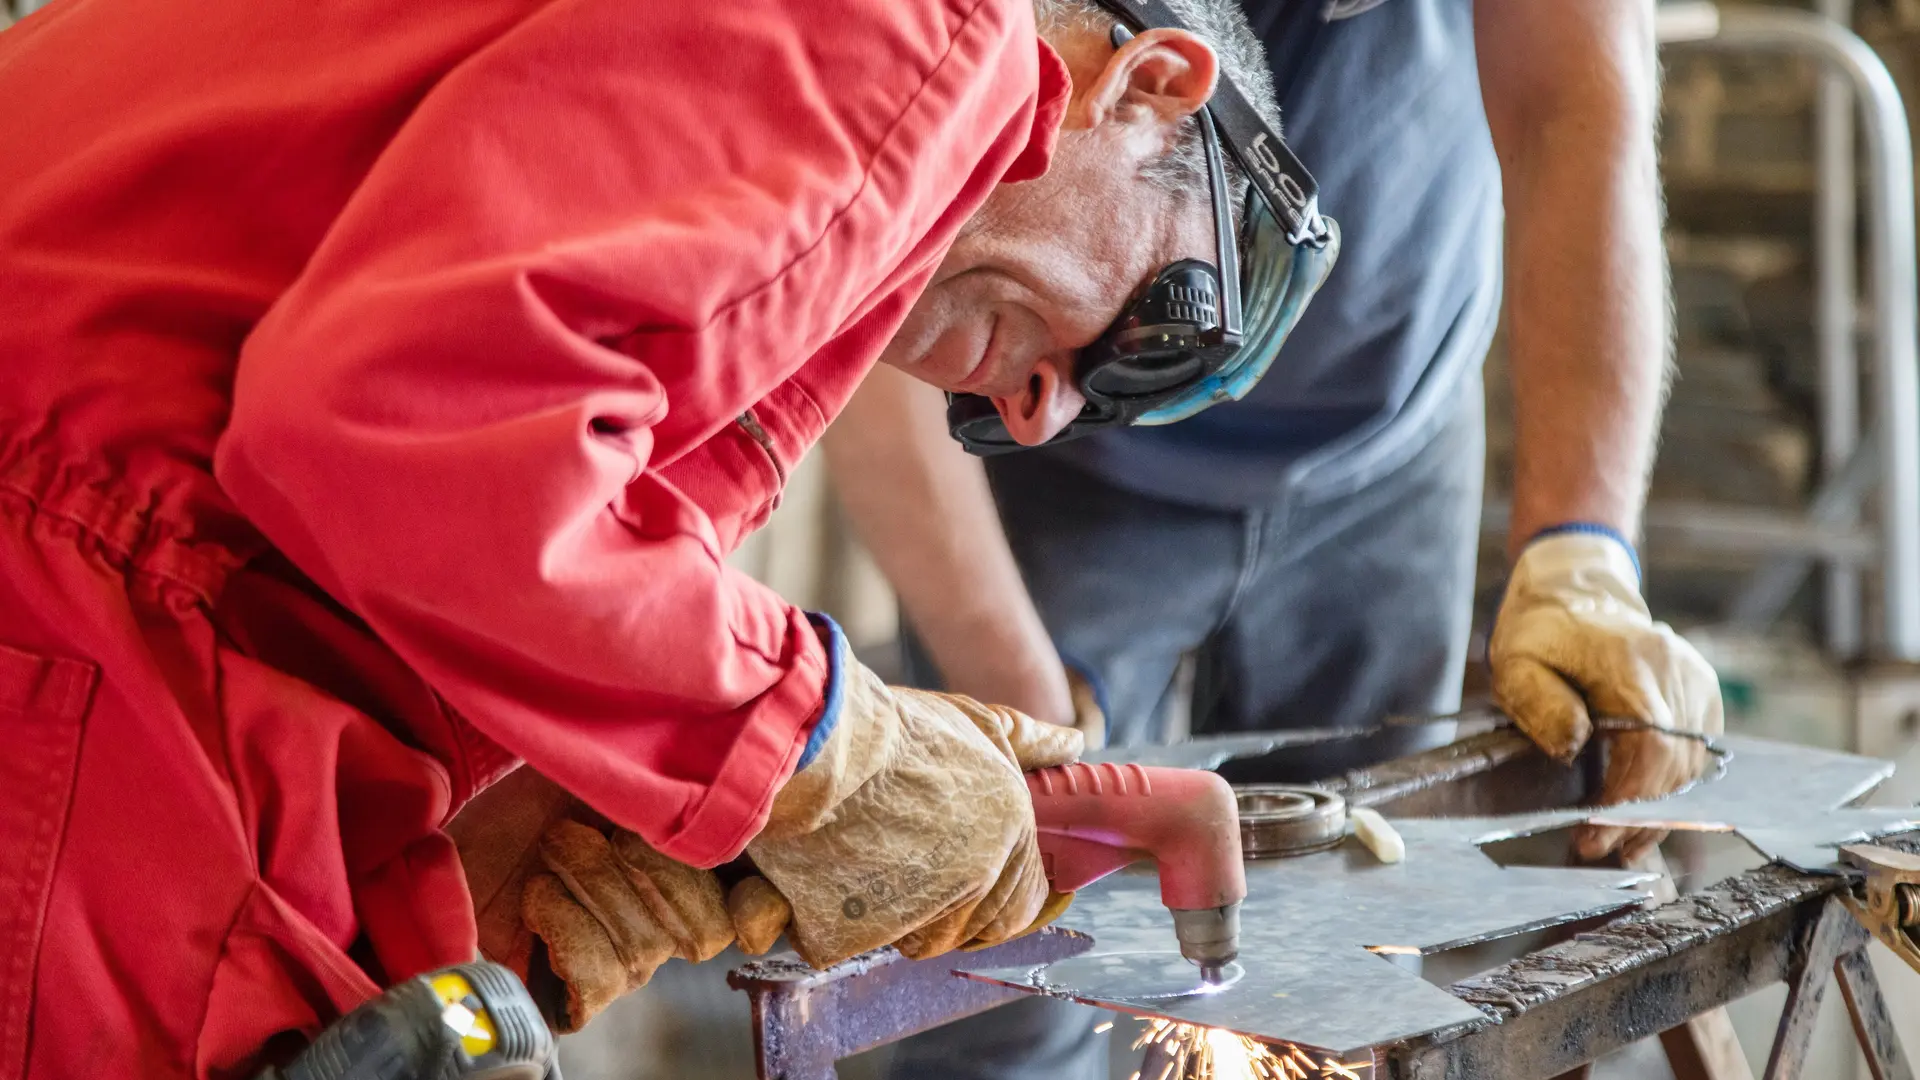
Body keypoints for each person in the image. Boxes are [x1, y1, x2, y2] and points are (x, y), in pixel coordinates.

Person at [0, 0, 1333, 1073]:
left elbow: (416, 508)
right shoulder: (916, 29)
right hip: (71, 606)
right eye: (1165, 326)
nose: (1042, 417)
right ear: (1151, 81)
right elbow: (411, 439)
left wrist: (620, 824)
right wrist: (823, 759)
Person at [823, 1, 1726, 1078]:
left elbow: (1575, 98)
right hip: (1047, 475)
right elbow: (865, 276)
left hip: (1386, 419)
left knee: (1350, 952)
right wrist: (1009, 680)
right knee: (1005, 958)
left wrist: (1580, 554)